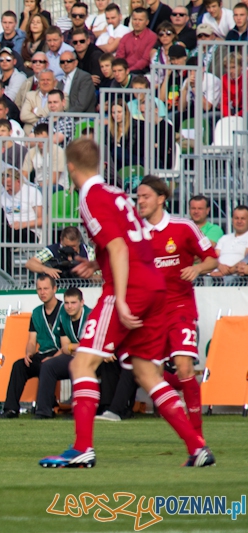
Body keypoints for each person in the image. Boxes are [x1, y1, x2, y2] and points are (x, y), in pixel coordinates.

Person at [39, 138, 214, 469]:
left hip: (129, 287)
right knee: (148, 372)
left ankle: (82, 448)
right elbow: (132, 239)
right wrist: (97, 262)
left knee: (81, 364)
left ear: (70, 167)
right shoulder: (117, 194)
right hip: (154, 285)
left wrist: (119, 297)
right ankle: (197, 447)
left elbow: (119, 246)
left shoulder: (89, 197)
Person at [136, 176, 217, 435]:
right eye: (138, 197)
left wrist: (197, 268)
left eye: (145, 196)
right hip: (149, 313)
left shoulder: (183, 227)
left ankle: (197, 436)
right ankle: (184, 402)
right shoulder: (135, 233)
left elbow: (212, 259)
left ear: (161, 199)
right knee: (151, 376)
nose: (140, 202)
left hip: (179, 307)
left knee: (183, 366)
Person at [0, 273, 63, 418]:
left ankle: (47, 407)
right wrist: (28, 353)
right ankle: (11, 409)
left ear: (54, 289)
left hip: (61, 353)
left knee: (46, 366)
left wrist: (54, 357)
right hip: (43, 353)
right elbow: (32, 341)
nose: (42, 292)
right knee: (19, 365)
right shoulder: (36, 312)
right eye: (39, 289)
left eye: (46, 288)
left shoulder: (65, 309)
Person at [32, 287, 92, 419]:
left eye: (73, 302)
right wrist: (57, 356)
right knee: (48, 366)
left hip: (93, 357)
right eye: (66, 303)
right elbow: (65, 347)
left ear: (82, 302)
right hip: (74, 355)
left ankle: (78, 410)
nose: (69, 306)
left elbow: (92, 345)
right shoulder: (63, 317)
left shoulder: (91, 316)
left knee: (77, 364)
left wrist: (73, 347)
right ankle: (44, 411)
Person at [26, 226, 93, 279]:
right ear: (61, 240)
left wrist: (85, 274)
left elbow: (98, 277)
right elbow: (30, 263)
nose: (69, 249)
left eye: (73, 246)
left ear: (79, 242)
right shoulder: (52, 250)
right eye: (67, 246)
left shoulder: (88, 251)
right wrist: (46, 269)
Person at [211, 206, 248, 277]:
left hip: (238, 278)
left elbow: (246, 260)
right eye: (236, 218)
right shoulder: (224, 238)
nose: (239, 221)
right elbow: (214, 257)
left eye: (243, 218)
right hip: (216, 276)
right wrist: (219, 265)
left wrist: (226, 272)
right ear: (232, 220)